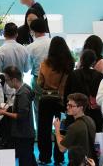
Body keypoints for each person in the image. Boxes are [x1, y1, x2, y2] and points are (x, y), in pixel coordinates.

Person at [37, 37, 75, 165]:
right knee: (61, 129)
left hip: (46, 100)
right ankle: (59, 158)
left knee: (44, 130)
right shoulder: (69, 64)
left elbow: (40, 83)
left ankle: (44, 157)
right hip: (62, 101)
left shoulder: (45, 63)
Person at [0, 65, 36, 166]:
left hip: (23, 134)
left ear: (14, 80)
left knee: (25, 161)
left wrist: (4, 113)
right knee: (28, 159)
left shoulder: (23, 93)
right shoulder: (24, 89)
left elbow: (21, 116)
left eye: (7, 80)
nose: (6, 82)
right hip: (24, 133)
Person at [53, 93, 97, 166]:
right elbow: (80, 139)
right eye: (67, 104)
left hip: (77, 162)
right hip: (90, 161)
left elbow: (62, 149)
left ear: (81, 108)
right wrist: (63, 137)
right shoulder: (90, 120)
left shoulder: (74, 127)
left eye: (71, 106)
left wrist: (57, 129)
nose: (67, 107)